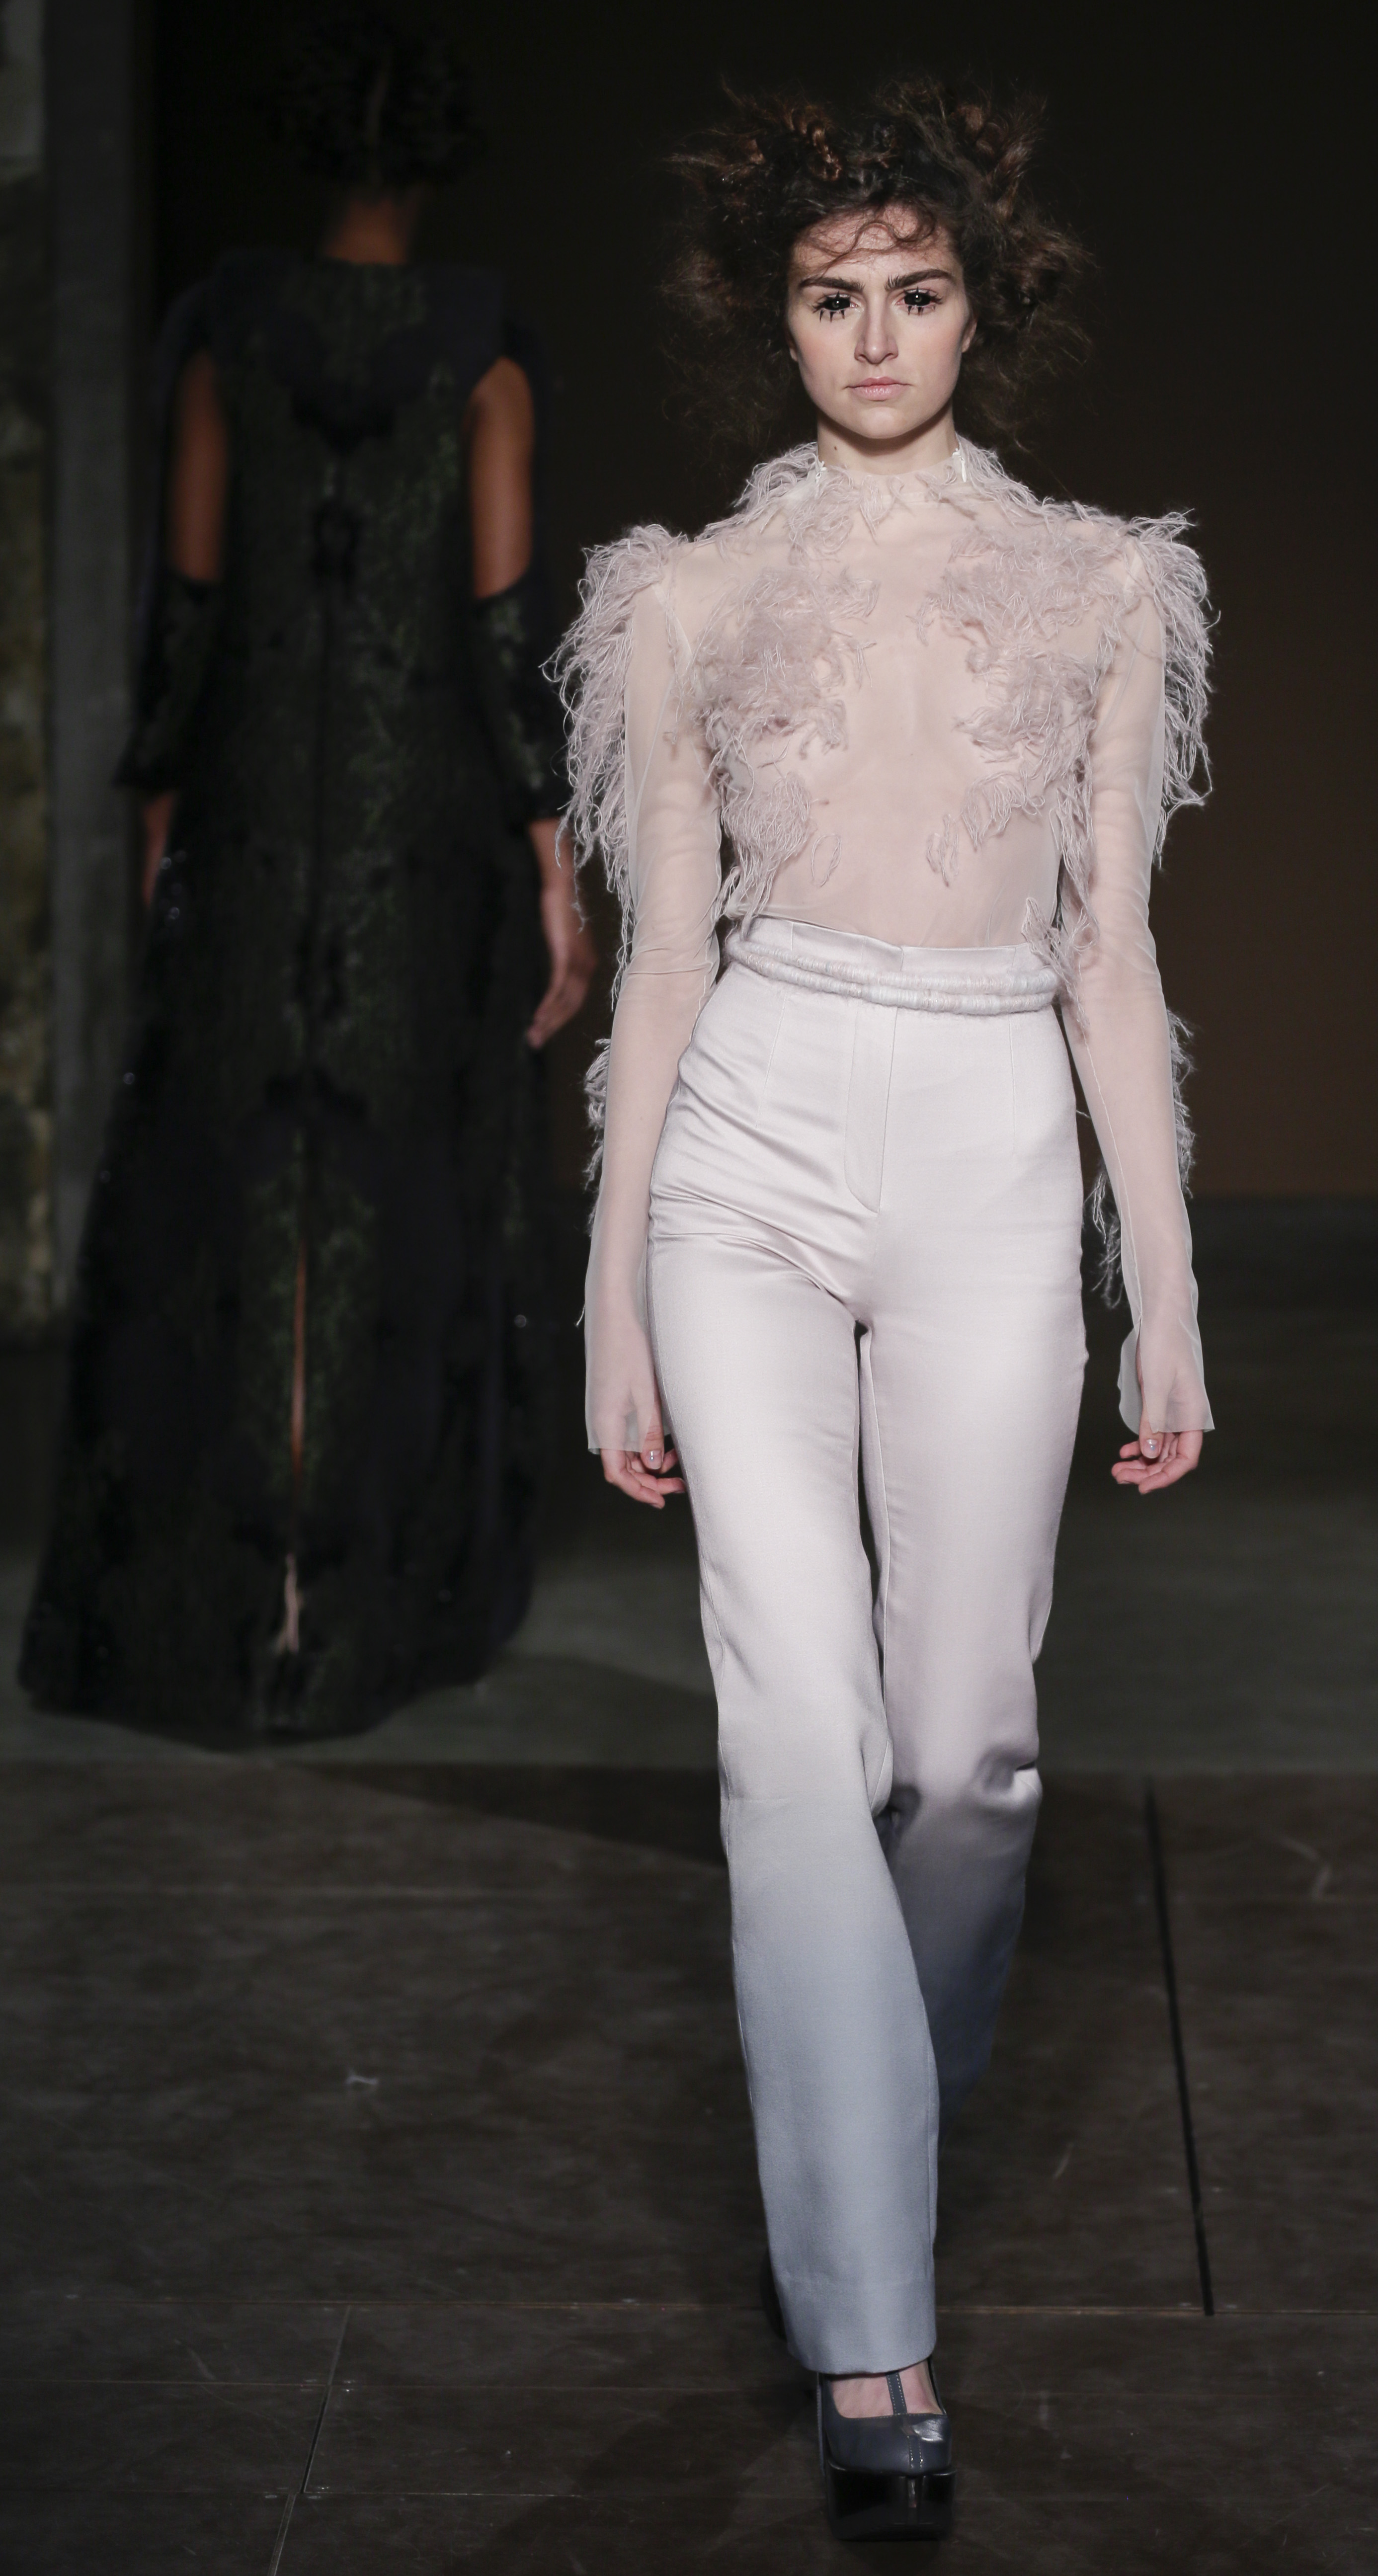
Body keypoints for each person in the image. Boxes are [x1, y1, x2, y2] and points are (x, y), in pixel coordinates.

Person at [560, 80, 1211, 2540]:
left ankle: (877, 2149)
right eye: (830, 295)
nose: (871, 335)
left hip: (989, 1139)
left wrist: (1166, 1288)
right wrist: (611, 1298)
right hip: (748, 1140)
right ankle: (874, 2332)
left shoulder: (1105, 588)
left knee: (972, 1754)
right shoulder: (683, 598)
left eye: (915, 292)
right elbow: (659, 968)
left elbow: (1114, 954)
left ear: (982, 307)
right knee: (791, 1738)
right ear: (774, 316)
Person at [20, 8, 594, 1739]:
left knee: (238, 1196)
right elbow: (500, 636)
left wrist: (157, 831)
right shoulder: (482, 350)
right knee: (391, 1204)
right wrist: (555, 861)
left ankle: (235, 1599)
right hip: (422, 837)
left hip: (253, 823)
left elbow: (189, 617)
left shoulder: (225, 332)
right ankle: (344, 1605)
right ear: (433, 160)